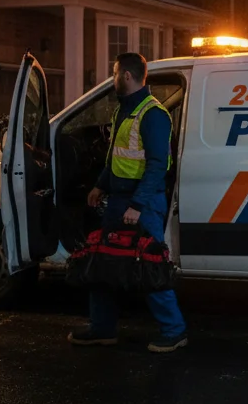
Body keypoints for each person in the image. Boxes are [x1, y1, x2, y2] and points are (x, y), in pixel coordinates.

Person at [68, 52, 189, 353]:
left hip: (142, 204)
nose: (112, 79)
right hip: (120, 200)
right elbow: (117, 157)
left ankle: (174, 331)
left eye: (113, 73)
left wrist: (137, 204)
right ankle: (102, 328)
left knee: (149, 266)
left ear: (125, 75)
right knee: (104, 262)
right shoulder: (125, 111)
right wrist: (100, 184)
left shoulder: (153, 114)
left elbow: (158, 165)